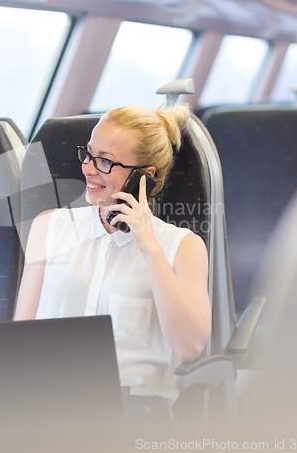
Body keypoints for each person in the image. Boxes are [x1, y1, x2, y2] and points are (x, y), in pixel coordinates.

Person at [14, 104, 211, 426]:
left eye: (105, 161)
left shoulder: (183, 247)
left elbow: (189, 347)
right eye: (88, 154)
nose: (89, 169)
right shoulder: (48, 227)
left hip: (131, 416)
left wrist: (147, 244)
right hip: (48, 406)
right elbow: (20, 338)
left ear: (145, 176)